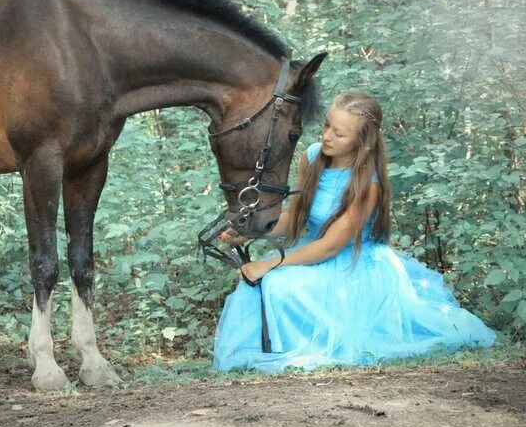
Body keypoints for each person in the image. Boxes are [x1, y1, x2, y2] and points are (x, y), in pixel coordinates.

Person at [212, 92, 497, 372]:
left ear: (362, 141)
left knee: (277, 282)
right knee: (255, 282)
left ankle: (304, 349)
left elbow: (331, 246)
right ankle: (265, 350)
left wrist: (269, 264)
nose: (327, 136)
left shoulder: (367, 181)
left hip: (352, 264)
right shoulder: (312, 157)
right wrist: (251, 231)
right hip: (313, 253)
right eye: (327, 125)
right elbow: (297, 217)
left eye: (339, 134)